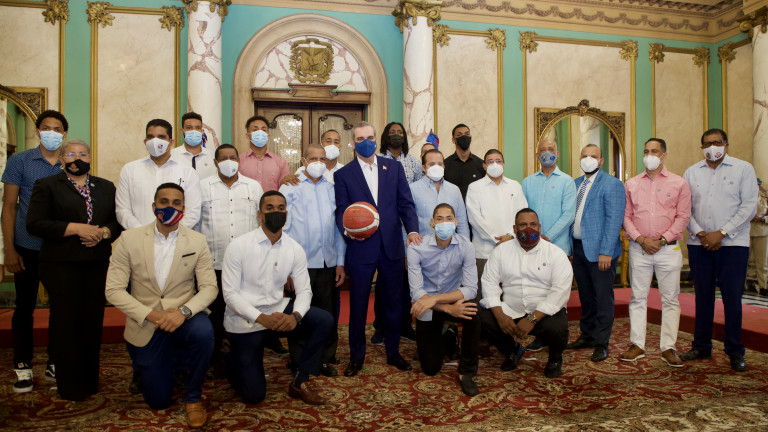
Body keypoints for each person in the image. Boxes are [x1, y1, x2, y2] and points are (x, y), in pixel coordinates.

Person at [105, 183, 217, 428]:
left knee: (204, 332)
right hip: (147, 321)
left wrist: (183, 312)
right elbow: (113, 290)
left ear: (183, 209)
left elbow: (210, 287)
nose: (169, 207)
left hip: (183, 316)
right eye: (164, 202)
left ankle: (193, 397)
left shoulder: (197, 241)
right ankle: (157, 365)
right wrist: (152, 315)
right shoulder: (129, 239)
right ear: (153, 206)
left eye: (176, 203)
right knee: (158, 401)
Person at [26, 138, 122, 400]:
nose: (76, 158)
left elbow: (117, 221)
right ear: (61, 159)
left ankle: (89, 381)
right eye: (70, 154)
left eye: (82, 154)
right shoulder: (47, 185)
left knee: (92, 321)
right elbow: (35, 223)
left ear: (90, 158)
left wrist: (102, 233)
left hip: (96, 263)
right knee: (67, 323)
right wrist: (75, 228)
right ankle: (70, 386)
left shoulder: (105, 186)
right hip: (61, 264)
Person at [222, 191, 333, 405]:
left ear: (286, 214)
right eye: (270, 208)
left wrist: (296, 316)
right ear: (259, 214)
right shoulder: (239, 246)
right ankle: (230, 356)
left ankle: (300, 380)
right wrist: (261, 318)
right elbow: (230, 294)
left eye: (281, 208)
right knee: (254, 395)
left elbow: (304, 291)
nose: (276, 212)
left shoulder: (294, 248)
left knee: (324, 320)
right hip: (245, 320)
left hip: (276, 312)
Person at [334, 121, 421, 377]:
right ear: (353, 143)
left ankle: (393, 353)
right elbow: (341, 210)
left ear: (376, 139)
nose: (366, 142)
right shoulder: (344, 174)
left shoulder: (393, 168)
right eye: (360, 138)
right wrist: (349, 231)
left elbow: (406, 203)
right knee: (358, 304)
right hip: (361, 247)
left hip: (392, 245)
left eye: (370, 137)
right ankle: (356, 357)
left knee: (394, 303)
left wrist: (412, 230)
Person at [681, 128, 757, 372]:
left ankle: (735, 351)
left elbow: (749, 207)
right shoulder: (691, 172)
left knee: (732, 298)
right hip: (699, 244)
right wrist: (701, 233)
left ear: (726, 144)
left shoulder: (743, 169)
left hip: (733, 245)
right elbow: (685, 209)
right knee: (702, 297)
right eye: (707, 143)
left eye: (717, 142)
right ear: (701, 147)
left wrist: (722, 232)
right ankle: (701, 346)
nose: (712, 147)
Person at [2, 109, 66, 392]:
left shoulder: (70, 161)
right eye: (46, 128)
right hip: (27, 246)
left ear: (64, 134)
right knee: (24, 308)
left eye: (57, 129)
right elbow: (9, 206)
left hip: (60, 249)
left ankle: (55, 361)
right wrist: (9, 250)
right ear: (38, 131)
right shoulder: (20, 161)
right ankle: (23, 365)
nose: (51, 133)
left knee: (61, 308)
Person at [621, 138, 691, 368]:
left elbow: (683, 216)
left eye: (654, 151)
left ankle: (668, 347)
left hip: (668, 249)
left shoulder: (679, 183)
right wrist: (641, 239)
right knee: (637, 297)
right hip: (639, 248)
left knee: (670, 299)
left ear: (664, 155)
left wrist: (662, 240)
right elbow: (626, 216)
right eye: (646, 151)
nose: (649, 155)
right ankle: (637, 344)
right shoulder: (631, 184)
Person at [478, 208, 572, 379]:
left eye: (533, 224)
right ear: (514, 229)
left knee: (558, 326)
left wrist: (532, 319)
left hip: (542, 312)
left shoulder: (555, 254)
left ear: (539, 228)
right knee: (481, 316)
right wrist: (500, 315)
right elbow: (489, 282)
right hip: (511, 309)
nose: (528, 229)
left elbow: (560, 292)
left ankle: (555, 360)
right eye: (523, 225)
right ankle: (512, 350)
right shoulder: (501, 251)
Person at [280, 144, 346, 377]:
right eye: (313, 158)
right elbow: (283, 230)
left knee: (327, 313)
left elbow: (338, 228)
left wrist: (340, 262)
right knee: (300, 313)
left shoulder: (332, 188)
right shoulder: (290, 187)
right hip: (300, 265)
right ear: (304, 161)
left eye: (322, 159)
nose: (318, 162)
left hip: (327, 262)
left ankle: (325, 358)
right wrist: (286, 268)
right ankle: (298, 360)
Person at [199, 143, 263, 377]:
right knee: (215, 315)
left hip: (246, 265)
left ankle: (244, 359)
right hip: (213, 263)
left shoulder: (253, 186)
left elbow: (261, 222)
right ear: (215, 163)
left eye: (233, 157)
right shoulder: (202, 187)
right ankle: (214, 360)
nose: (228, 161)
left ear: (239, 160)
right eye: (223, 158)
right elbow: (196, 224)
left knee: (244, 312)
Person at [407, 203, 481, 395]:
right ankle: (448, 336)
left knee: (474, 313)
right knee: (430, 369)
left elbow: (471, 289)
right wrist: (446, 308)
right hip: (428, 305)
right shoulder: (417, 247)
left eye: (449, 219)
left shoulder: (466, 246)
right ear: (432, 222)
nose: (444, 223)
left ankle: (466, 372)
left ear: (456, 222)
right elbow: (417, 292)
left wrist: (436, 300)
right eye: (439, 219)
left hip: (447, 299)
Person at [567, 144, 626, 363]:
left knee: (602, 297)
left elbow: (614, 220)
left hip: (601, 252)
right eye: (584, 156)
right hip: (579, 248)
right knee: (585, 295)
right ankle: (588, 335)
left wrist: (606, 252)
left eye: (593, 156)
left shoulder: (612, 184)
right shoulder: (575, 184)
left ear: (601, 160)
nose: (588, 159)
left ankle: (602, 342)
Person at [521, 138, 576, 352]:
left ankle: (558, 336)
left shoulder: (567, 182)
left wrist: (546, 236)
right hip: (531, 246)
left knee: (558, 292)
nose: (547, 153)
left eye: (551, 149)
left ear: (557, 153)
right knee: (536, 290)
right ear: (537, 155)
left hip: (558, 246)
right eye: (542, 150)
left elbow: (568, 214)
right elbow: (523, 213)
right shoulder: (527, 182)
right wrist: (533, 237)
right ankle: (540, 336)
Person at [115, 118, 202, 230]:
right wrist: (142, 233)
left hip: (177, 237)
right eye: (151, 137)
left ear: (171, 142)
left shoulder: (188, 172)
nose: (155, 141)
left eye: (161, 137)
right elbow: (122, 210)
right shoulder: (129, 170)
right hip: (138, 236)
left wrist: (171, 233)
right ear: (145, 142)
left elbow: (192, 213)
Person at [466, 149, 528, 296]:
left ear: (504, 164)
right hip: (484, 251)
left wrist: (510, 236)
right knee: (484, 295)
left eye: (498, 161)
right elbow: (475, 218)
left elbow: (523, 215)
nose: (494, 164)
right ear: (484, 166)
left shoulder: (515, 186)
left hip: (512, 248)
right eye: (490, 161)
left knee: (511, 295)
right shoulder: (475, 187)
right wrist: (497, 239)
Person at [410, 149, 469, 237]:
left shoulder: (454, 190)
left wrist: (464, 243)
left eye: (440, 164)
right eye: (432, 164)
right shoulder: (412, 189)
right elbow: (407, 222)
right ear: (423, 168)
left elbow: (462, 223)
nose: (436, 167)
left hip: (451, 244)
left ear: (444, 166)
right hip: (423, 244)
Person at [238, 115, 290, 192]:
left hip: (272, 199)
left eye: (263, 130)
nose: (260, 133)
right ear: (248, 136)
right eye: (255, 130)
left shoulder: (281, 162)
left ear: (268, 136)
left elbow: (285, 188)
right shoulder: (239, 160)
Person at [444, 124, 485, 200]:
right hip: (452, 206)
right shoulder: (445, 165)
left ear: (471, 137)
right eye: (459, 135)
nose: (464, 137)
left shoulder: (481, 164)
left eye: (467, 134)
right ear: (453, 140)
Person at [171, 112, 216, 180]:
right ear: (182, 131)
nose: (194, 131)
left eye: (198, 128)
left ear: (202, 131)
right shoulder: (172, 156)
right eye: (189, 128)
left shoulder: (212, 156)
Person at [747, 178, 768, 296]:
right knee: (743, 261)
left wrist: (763, 218)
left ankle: (763, 285)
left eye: (757, 185)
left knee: (762, 262)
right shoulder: (744, 198)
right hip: (746, 232)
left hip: (762, 232)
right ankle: (741, 284)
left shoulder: (764, 199)